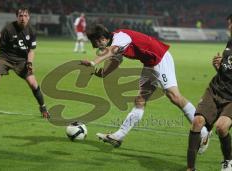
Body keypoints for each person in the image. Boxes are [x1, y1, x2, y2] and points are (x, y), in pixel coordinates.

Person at [80, 24, 209, 152]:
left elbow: (112, 51)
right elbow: (116, 60)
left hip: (160, 58)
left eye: (94, 42)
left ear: (102, 38)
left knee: (174, 96)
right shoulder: (116, 41)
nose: (94, 46)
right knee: (140, 100)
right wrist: (104, 73)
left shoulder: (120, 37)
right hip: (149, 63)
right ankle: (118, 136)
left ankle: (203, 132)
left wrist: (93, 62)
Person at [186, 15, 232, 171]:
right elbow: (226, 71)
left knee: (222, 127)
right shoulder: (230, 42)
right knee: (197, 121)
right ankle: (190, 168)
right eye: (229, 23)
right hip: (215, 89)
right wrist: (219, 66)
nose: (230, 27)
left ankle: (228, 161)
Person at [0, 7, 50, 118]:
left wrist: (29, 63)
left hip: (21, 61)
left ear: (29, 17)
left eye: (25, 16)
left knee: (33, 83)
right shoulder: (8, 28)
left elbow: (31, 50)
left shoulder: (31, 31)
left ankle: (43, 107)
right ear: (17, 17)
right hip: (5, 57)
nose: (23, 18)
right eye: (20, 16)